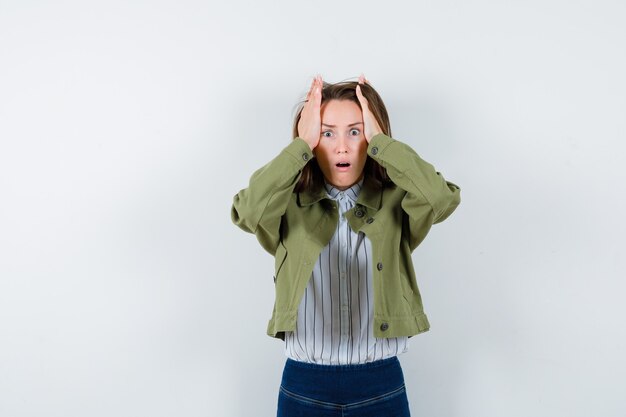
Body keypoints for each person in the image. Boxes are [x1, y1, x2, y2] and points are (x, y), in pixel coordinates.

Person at [231, 74, 461, 417]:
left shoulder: (397, 203)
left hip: (380, 385)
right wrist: (299, 147)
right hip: (304, 386)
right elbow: (247, 211)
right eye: (327, 132)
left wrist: (383, 142)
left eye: (355, 131)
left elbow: (440, 198)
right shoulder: (286, 205)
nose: (342, 146)